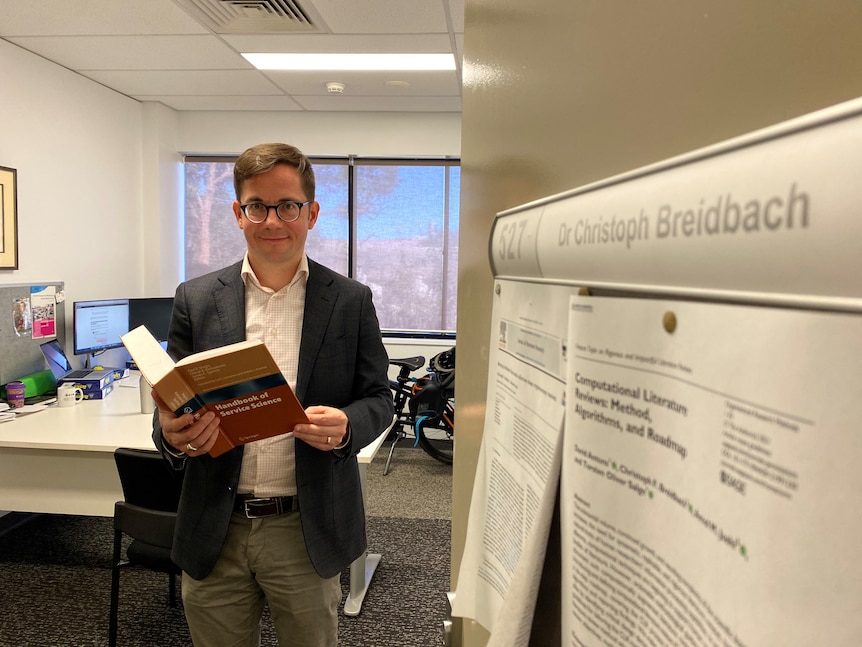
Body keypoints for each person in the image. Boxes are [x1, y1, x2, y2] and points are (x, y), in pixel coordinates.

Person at [152, 142, 394, 646]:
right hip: (216, 524)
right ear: (238, 213)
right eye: (257, 206)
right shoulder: (195, 299)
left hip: (306, 526)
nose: (272, 220)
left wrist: (348, 426)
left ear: (312, 213)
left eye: (288, 206)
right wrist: (172, 435)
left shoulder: (350, 301)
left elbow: (378, 399)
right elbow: (169, 406)